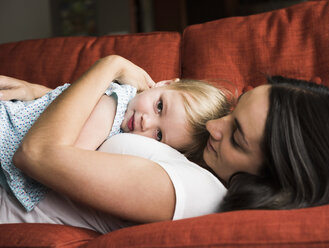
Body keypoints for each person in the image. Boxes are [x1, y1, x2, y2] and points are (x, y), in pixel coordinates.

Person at [4, 55, 329, 233]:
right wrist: (45, 97)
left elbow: (36, 155)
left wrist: (109, 65)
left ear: (265, 179)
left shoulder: (192, 193)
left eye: (237, 137)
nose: (213, 125)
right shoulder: (200, 166)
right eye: (234, 109)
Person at [0, 65, 231, 212]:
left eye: (159, 135)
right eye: (159, 106)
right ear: (166, 83)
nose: (146, 122)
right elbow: (62, 156)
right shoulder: (115, 103)